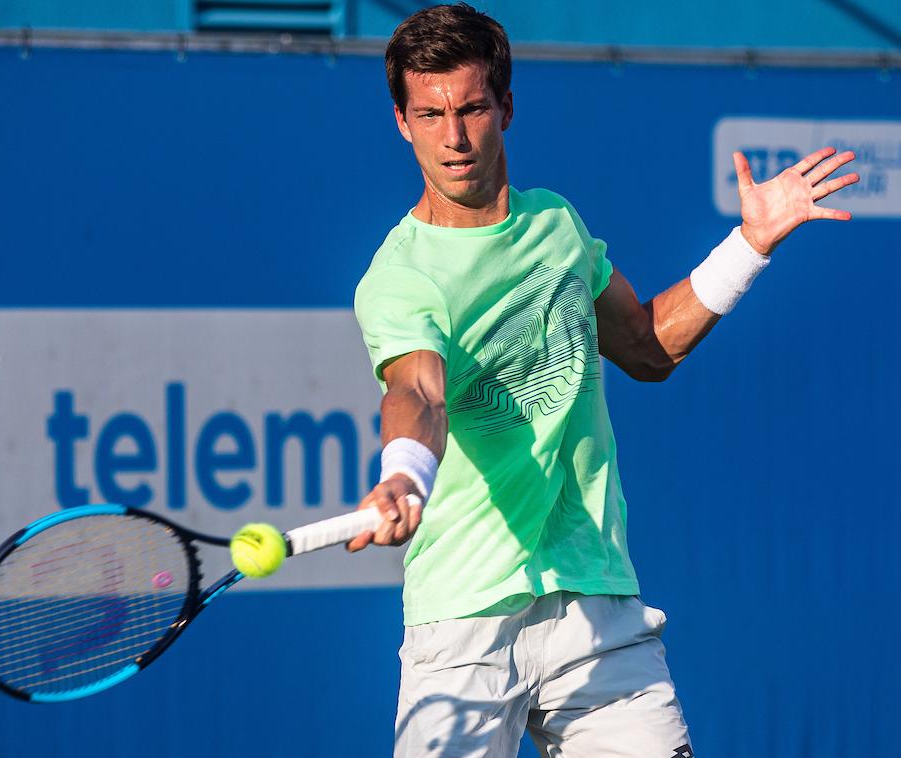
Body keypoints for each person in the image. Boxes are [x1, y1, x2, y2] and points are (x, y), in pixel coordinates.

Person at [348, 4, 857, 756]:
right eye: (430, 114)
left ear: (506, 107)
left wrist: (749, 244)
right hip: (464, 619)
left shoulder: (556, 225)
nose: (453, 138)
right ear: (402, 122)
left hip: (594, 599)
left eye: (472, 108)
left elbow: (649, 348)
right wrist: (405, 471)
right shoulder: (399, 276)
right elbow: (419, 392)